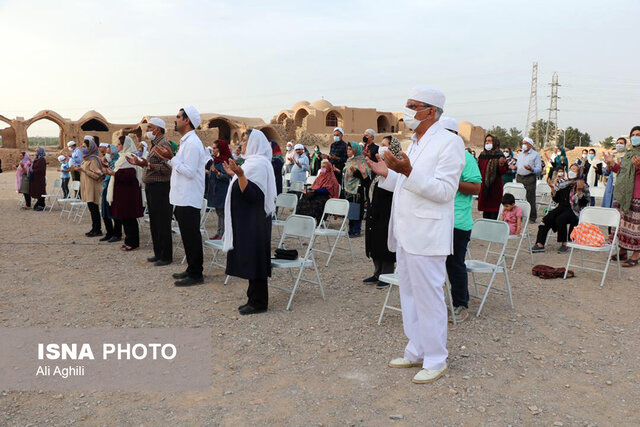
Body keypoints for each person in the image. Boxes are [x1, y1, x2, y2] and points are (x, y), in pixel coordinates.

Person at [367, 85, 465, 384]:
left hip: (427, 233)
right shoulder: (416, 142)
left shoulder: (449, 143)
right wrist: (387, 172)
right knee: (408, 293)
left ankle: (436, 359)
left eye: (413, 105)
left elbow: (445, 191)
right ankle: (416, 349)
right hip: (406, 231)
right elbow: (406, 179)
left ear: (430, 111)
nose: (407, 110)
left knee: (429, 296)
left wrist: (407, 172)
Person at [222, 129, 277, 315]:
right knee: (251, 258)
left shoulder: (259, 164)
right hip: (247, 220)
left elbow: (254, 195)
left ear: (254, 143)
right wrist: (234, 174)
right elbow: (243, 186)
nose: (241, 144)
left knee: (256, 259)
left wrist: (240, 174)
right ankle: (252, 298)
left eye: (245, 141)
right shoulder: (252, 163)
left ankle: (259, 302)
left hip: (255, 222)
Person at [155, 107, 209, 286]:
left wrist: (171, 158)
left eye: (178, 117)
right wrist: (169, 159)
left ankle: (196, 273)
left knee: (191, 234)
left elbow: (190, 172)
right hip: (181, 196)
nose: (175, 119)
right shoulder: (187, 142)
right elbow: (180, 166)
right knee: (187, 235)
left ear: (187, 121)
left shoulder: (193, 143)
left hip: (189, 196)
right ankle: (191, 268)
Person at [440, 116, 481, 323]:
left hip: (457, 222)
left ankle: (460, 304)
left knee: (454, 264)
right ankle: (437, 304)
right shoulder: (436, 156)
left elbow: (475, 187)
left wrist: (452, 182)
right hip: (436, 219)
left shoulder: (467, 159)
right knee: (434, 263)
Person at [134, 118, 174, 264]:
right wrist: (142, 164)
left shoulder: (164, 144)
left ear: (157, 129)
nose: (147, 130)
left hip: (160, 188)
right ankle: (158, 253)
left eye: (149, 127)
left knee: (162, 222)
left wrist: (149, 165)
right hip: (153, 188)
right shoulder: (155, 144)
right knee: (155, 222)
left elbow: (168, 169)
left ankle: (166, 256)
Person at [364, 136, 401, 289]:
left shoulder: (398, 166)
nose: (382, 147)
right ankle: (377, 272)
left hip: (388, 210)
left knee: (384, 240)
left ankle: (387, 274)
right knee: (374, 239)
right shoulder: (380, 164)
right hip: (376, 208)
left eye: (385, 145)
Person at [531, 163, 590, 253]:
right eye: (571, 169)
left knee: (560, 219)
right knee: (546, 219)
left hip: (574, 210)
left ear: (579, 173)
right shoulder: (563, 183)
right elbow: (557, 199)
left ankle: (564, 243)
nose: (571, 172)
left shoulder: (583, 185)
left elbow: (584, 203)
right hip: (561, 207)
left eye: (574, 170)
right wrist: (553, 189)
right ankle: (540, 244)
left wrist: (579, 192)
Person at [607, 126, 640, 267]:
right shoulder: (628, 154)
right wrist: (611, 163)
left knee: (635, 226)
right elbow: (621, 171)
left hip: (637, 194)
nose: (635, 137)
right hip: (623, 194)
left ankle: (636, 254)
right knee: (622, 224)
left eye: (638, 134)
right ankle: (623, 251)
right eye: (633, 134)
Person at [105, 136, 143, 251]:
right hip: (123, 193)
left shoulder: (129, 157)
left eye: (119, 145)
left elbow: (130, 176)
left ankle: (133, 243)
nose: (117, 146)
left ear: (125, 145)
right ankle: (128, 241)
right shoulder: (122, 157)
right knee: (125, 219)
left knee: (130, 219)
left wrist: (114, 174)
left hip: (128, 195)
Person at [297, 159, 340, 224]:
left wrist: (315, 191)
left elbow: (327, 190)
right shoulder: (320, 176)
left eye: (324, 167)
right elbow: (314, 186)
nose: (322, 168)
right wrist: (309, 190)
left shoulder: (331, 178)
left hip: (325, 196)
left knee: (316, 203)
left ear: (328, 167)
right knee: (303, 199)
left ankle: (315, 221)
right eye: (321, 167)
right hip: (316, 194)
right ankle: (303, 219)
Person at [77, 136, 105, 236]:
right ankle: (94, 228)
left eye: (85, 146)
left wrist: (84, 170)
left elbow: (98, 176)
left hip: (92, 187)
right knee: (92, 209)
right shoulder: (86, 158)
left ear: (90, 147)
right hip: (87, 187)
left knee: (94, 210)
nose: (83, 148)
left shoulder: (93, 159)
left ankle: (97, 230)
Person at [477, 134, 507, 220]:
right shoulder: (482, 155)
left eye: (489, 141)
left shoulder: (499, 155)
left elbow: (503, 172)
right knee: (485, 214)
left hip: (495, 188)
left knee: (494, 213)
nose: (487, 143)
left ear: (495, 142)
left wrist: (501, 164)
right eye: (486, 141)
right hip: (484, 189)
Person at [344, 142, 370, 237]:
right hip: (349, 189)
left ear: (356, 150)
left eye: (350, 149)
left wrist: (356, 172)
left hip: (358, 189)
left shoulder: (361, 161)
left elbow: (366, 177)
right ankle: (351, 230)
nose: (348, 151)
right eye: (348, 149)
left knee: (357, 209)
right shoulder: (349, 160)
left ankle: (356, 230)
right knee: (351, 209)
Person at [207, 139, 232, 240]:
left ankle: (222, 234)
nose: (213, 150)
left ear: (220, 149)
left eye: (214, 148)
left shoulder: (224, 161)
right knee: (219, 212)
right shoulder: (216, 160)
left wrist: (217, 173)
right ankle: (220, 232)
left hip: (222, 191)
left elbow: (227, 177)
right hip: (216, 190)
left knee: (222, 213)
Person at [99, 144, 123, 242]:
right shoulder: (112, 163)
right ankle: (109, 233)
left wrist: (108, 172)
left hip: (113, 188)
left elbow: (117, 174)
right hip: (107, 186)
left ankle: (117, 234)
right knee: (105, 211)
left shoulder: (118, 162)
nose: (107, 154)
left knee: (114, 211)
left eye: (109, 152)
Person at [515, 137, 542, 223]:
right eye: (523, 143)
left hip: (529, 177)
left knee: (530, 197)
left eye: (525, 143)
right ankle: (520, 215)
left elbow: (539, 169)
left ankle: (532, 217)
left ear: (530, 145)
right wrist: (514, 167)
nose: (524, 145)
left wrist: (532, 169)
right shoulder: (520, 154)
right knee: (519, 197)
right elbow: (517, 165)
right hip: (519, 177)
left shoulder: (535, 155)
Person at [602, 137, 627, 208]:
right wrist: (608, 165)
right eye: (617, 143)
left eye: (621, 143)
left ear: (625, 145)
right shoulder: (612, 156)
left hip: (622, 184)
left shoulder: (628, 157)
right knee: (609, 204)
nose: (619, 145)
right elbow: (606, 173)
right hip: (611, 183)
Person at [29, 147, 47, 211]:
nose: (36, 152)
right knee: (37, 191)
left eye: (37, 151)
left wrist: (33, 170)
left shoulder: (42, 160)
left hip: (39, 179)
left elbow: (40, 169)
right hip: (35, 179)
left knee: (40, 192)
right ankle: (40, 204)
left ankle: (41, 205)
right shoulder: (37, 159)